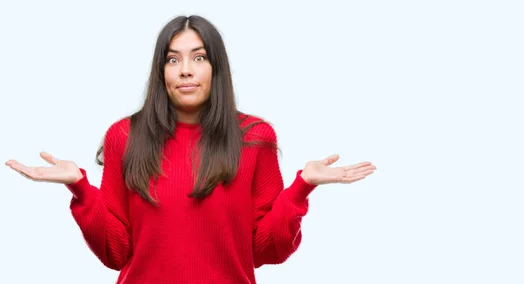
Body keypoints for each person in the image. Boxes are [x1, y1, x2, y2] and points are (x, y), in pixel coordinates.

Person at [5, 15, 376, 284]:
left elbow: (265, 251)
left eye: (199, 58)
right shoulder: (125, 136)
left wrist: (302, 187)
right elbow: (116, 253)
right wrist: (80, 188)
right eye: (173, 59)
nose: (185, 70)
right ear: (161, 70)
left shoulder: (254, 137)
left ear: (216, 68)